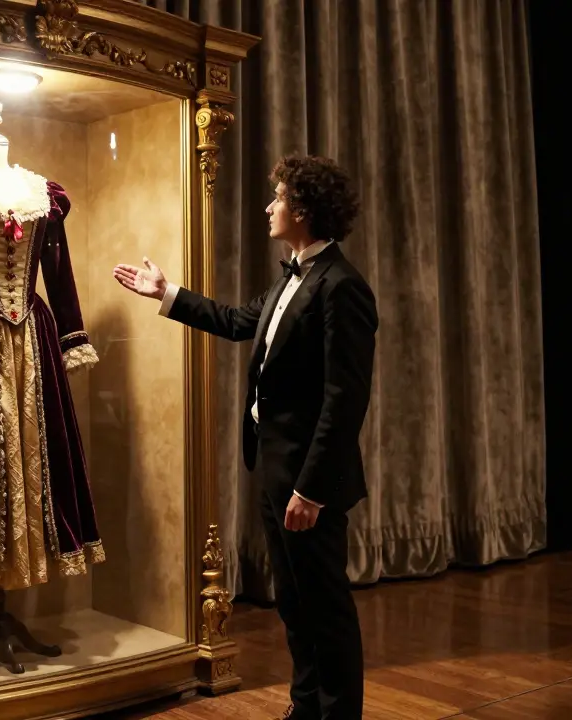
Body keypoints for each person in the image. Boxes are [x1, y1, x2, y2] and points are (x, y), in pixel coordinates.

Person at [112, 153, 376, 720]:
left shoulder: (341, 287)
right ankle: (306, 709)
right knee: (294, 604)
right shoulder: (293, 276)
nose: (268, 206)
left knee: (323, 605)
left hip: (308, 480)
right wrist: (167, 293)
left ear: (302, 209)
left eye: (277, 197)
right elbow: (235, 321)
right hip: (274, 467)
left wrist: (311, 489)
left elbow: (344, 399)